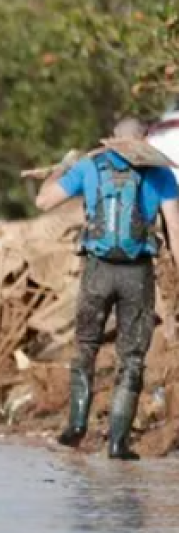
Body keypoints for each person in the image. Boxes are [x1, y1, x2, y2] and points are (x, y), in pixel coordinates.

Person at [35, 117, 179, 460]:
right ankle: (118, 442)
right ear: (145, 139)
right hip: (137, 274)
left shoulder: (89, 166)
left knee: (86, 346)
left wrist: (63, 165)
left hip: (98, 271)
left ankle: (76, 427)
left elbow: (43, 202)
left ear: (113, 139)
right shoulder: (161, 175)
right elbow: (174, 227)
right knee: (131, 356)